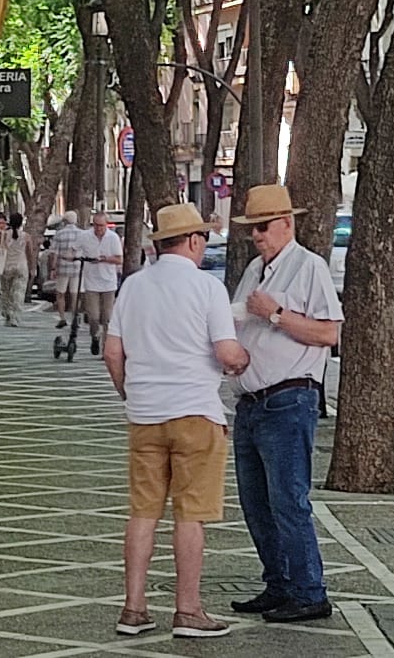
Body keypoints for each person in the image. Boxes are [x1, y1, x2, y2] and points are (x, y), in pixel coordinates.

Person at [104, 203, 248, 640]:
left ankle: (133, 609)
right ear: (192, 241)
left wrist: (133, 393)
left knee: (142, 512)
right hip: (195, 414)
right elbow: (226, 353)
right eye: (202, 238)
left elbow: (113, 353)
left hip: (144, 415)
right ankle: (187, 611)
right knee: (190, 515)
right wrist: (243, 361)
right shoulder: (207, 288)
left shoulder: (133, 286)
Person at [229, 184, 342, 626]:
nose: (256, 236)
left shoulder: (308, 267)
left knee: (288, 500)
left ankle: (309, 591)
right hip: (252, 401)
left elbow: (330, 333)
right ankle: (279, 583)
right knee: (256, 502)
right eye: (251, 229)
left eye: (262, 227)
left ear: (285, 224)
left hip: (288, 398)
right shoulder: (257, 269)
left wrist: (276, 314)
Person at [82, 210, 125, 356]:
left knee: (107, 318)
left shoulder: (113, 238)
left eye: (101, 225)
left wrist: (105, 259)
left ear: (106, 225)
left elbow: (119, 259)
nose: (99, 229)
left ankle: (106, 348)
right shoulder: (85, 236)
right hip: (91, 281)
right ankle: (95, 336)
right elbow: (74, 251)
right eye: (96, 225)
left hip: (108, 282)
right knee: (93, 316)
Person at [51, 210, 88, 328]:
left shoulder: (59, 234)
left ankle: (62, 318)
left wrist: (53, 268)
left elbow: (54, 253)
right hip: (77, 267)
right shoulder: (83, 234)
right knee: (75, 294)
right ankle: (74, 317)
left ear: (65, 221)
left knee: (60, 293)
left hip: (63, 266)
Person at [0, 212, 31, 327]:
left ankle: (7, 313)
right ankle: (15, 317)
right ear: (21, 223)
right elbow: (30, 253)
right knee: (18, 292)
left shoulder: (4, 235)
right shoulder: (26, 236)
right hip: (21, 266)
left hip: (6, 266)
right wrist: (32, 268)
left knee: (6, 291)